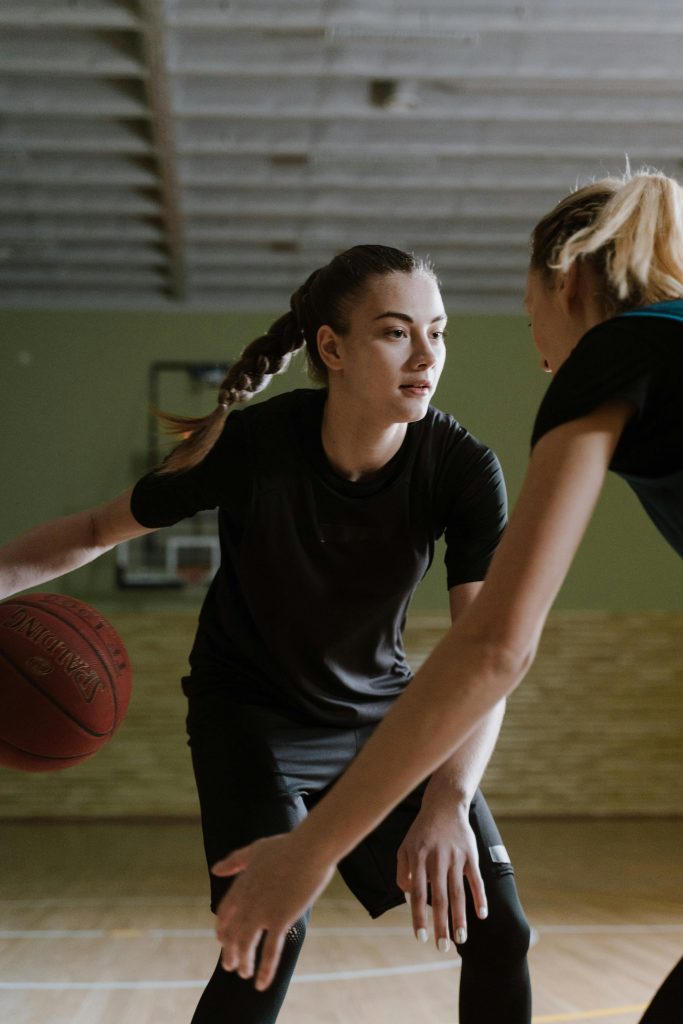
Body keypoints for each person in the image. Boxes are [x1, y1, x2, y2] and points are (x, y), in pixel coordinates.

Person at [0, 245, 533, 1022]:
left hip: (382, 715)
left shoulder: (460, 469)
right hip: (251, 720)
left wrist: (448, 798)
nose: (426, 355)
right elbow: (90, 530)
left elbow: (482, 653)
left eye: (439, 332)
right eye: (395, 332)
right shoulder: (249, 448)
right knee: (265, 943)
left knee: (499, 931)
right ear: (331, 348)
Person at [204, 171, 683, 1021]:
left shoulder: (615, 356)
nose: (534, 339)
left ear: (564, 282)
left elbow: (495, 645)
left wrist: (318, 848)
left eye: (523, 304)